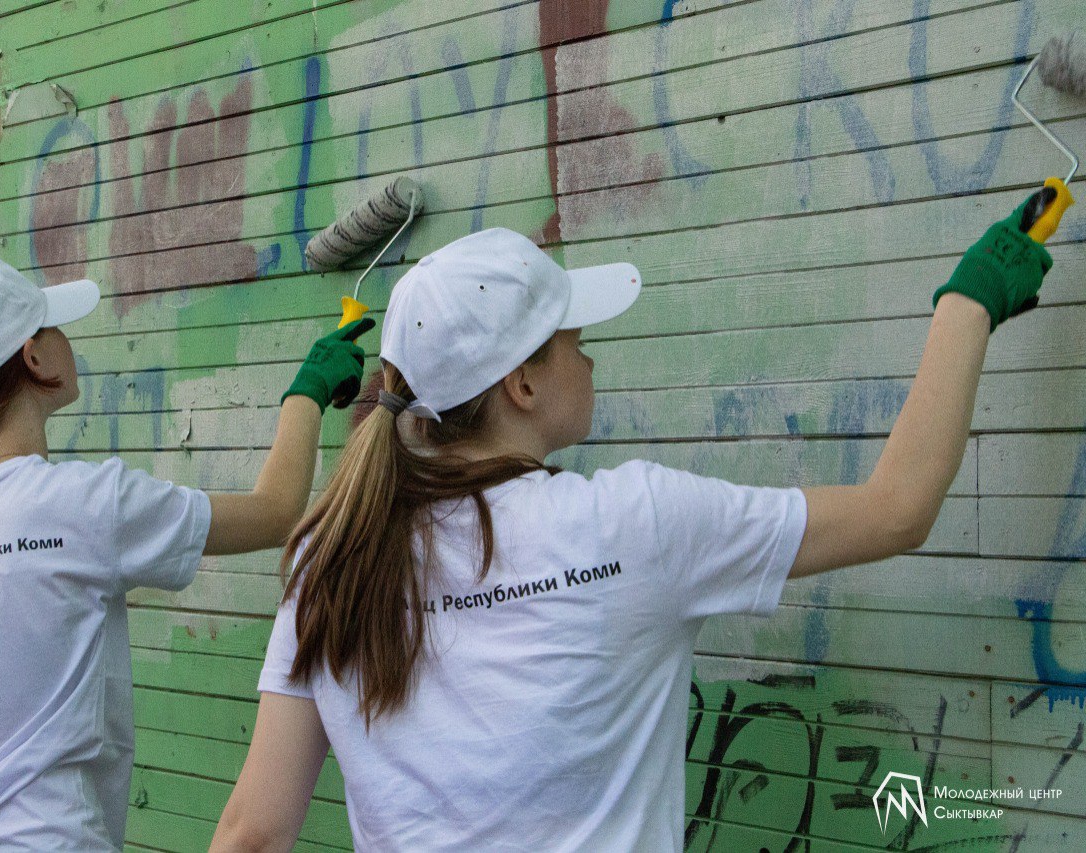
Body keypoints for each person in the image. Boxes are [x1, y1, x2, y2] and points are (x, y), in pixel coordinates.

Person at [208, 198, 1054, 852]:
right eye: (574, 338)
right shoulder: (629, 524)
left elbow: (253, 831)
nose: (590, 356)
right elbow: (897, 508)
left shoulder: (331, 554)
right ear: (523, 385)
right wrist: (967, 305)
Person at [0, 255, 375, 851]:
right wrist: (307, 391)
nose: (66, 338)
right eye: (53, 326)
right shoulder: (83, 504)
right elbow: (277, 512)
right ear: (34, 359)